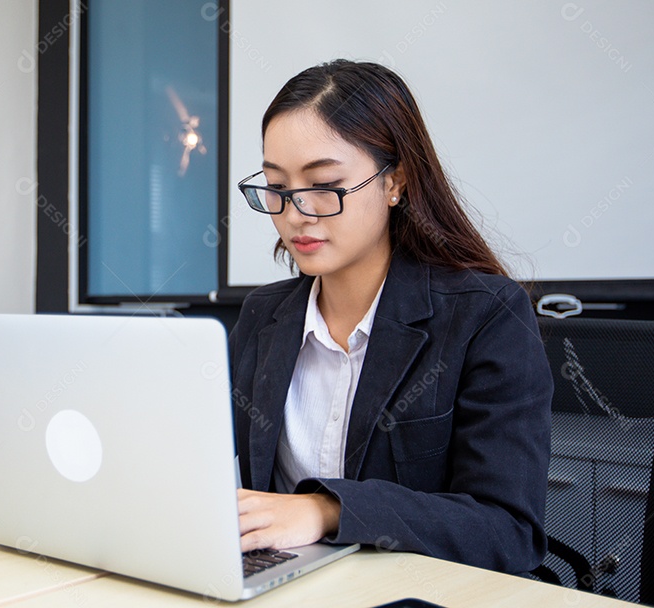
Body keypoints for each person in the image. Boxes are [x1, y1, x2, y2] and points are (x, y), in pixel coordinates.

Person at [228, 59, 553, 574]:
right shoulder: (264, 316)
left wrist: (327, 510)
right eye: (276, 187)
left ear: (395, 182)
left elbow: (507, 531)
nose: (294, 215)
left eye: (324, 185)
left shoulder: (485, 316)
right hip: (288, 586)